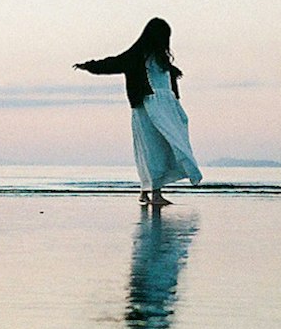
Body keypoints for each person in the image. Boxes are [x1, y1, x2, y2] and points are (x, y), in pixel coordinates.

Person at [74, 17, 202, 206]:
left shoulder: (163, 61)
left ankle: (147, 191)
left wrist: (174, 80)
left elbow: (168, 84)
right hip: (147, 108)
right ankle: (153, 193)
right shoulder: (136, 56)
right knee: (151, 149)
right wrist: (89, 65)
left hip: (167, 108)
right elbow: (113, 63)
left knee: (170, 145)